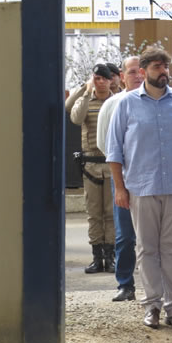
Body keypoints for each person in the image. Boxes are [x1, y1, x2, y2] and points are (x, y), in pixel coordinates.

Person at [107, 47, 172, 331]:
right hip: (141, 187)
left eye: (167, 66)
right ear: (142, 71)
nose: (164, 71)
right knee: (147, 249)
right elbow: (114, 151)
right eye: (158, 66)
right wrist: (120, 189)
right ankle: (152, 306)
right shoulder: (126, 105)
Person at [96, 56, 144, 302]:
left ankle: (157, 286)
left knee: (155, 238)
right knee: (125, 235)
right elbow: (104, 143)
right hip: (123, 178)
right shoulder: (112, 104)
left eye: (140, 71)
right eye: (132, 72)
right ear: (122, 76)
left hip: (151, 180)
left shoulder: (158, 102)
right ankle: (125, 284)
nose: (138, 76)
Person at [71, 63, 115, 274]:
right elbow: (75, 118)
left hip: (112, 164)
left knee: (111, 214)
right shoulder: (86, 100)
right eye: (96, 78)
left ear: (110, 80)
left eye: (104, 78)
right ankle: (97, 257)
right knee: (94, 214)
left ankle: (111, 256)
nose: (100, 82)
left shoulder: (117, 101)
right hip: (91, 165)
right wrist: (87, 92)